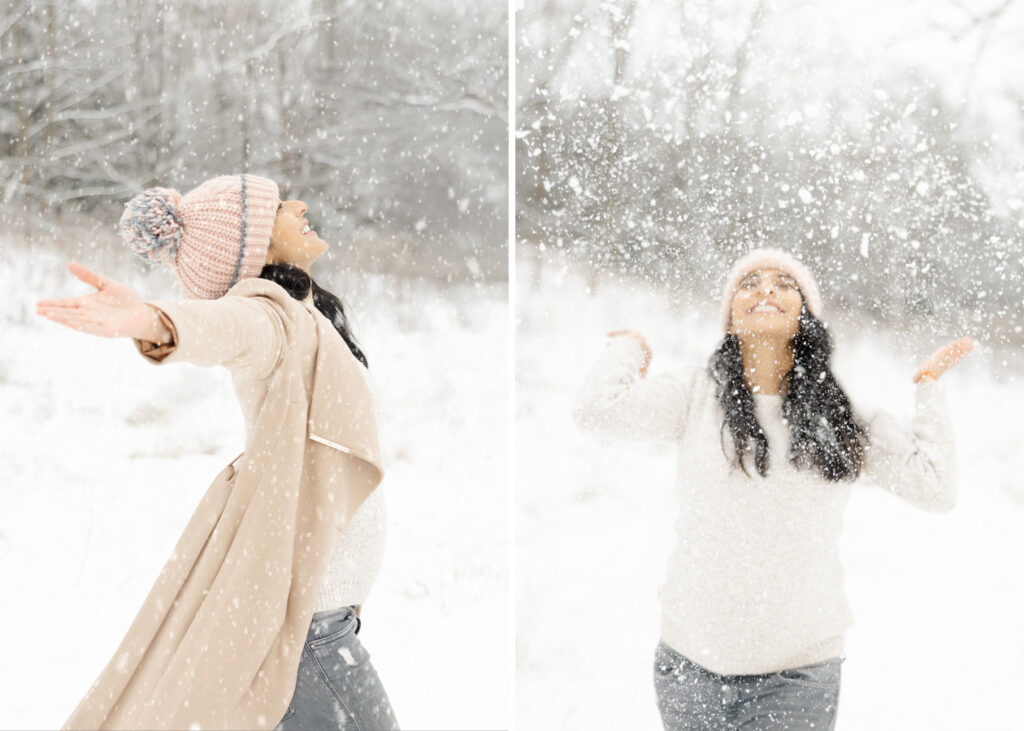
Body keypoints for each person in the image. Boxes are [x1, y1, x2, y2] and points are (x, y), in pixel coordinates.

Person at [36, 174, 399, 730]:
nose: (298, 205)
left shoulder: (305, 315)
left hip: (322, 621)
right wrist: (156, 320)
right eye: (279, 205)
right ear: (253, 247)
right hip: (312, 633)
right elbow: (230, 327)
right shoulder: (268, 315)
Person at [571, 248, 974, 731]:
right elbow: (595, 409)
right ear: (730, 318)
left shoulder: (843, 415)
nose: (765, 290)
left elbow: (936, 487)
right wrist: (631, 347)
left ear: (807, 315)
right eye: (749, 283)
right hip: (690, 666)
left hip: (798, 674)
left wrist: (928, 387)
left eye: (784, 284)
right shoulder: (694, 394)